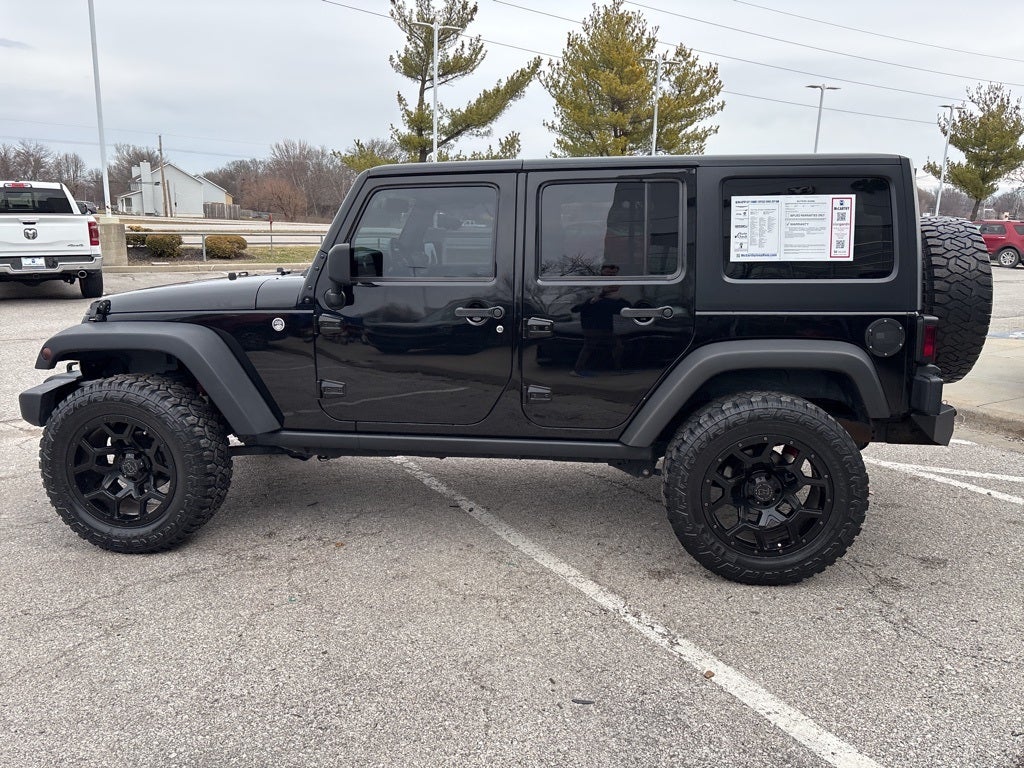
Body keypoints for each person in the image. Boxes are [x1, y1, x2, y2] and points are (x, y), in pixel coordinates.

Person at [570, 264, 630, 376]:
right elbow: (576, 307)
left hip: (605, 326)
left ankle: (616, 369)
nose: (611, 275)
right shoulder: (592, 287)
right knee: (591, 346)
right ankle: (578, 370)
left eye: (613, 273)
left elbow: (621, 308)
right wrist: (596, 298)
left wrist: (618, 299)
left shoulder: (615, 289)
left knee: (615, 346)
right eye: (608, 273)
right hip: (592, 326)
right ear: (602, 272)